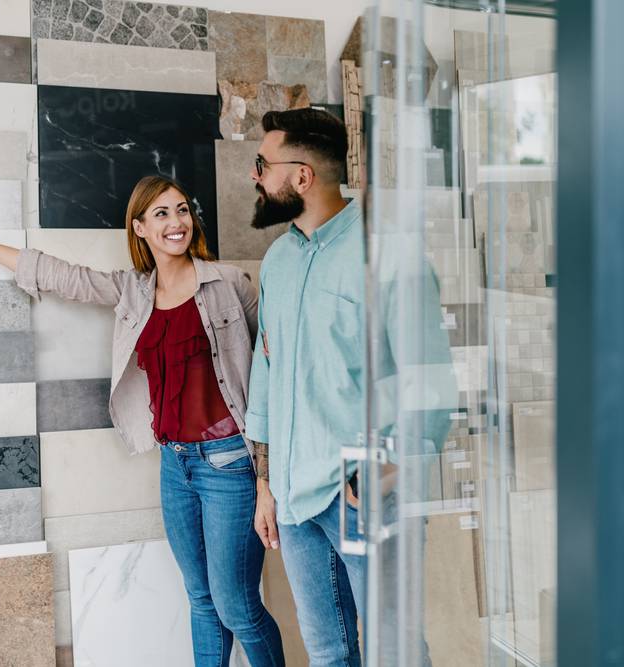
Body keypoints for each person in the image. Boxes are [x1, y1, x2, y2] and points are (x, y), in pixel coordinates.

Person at [0, 175, 284, 667]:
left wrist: (268, 477)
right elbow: (65, 277)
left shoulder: (228, 284)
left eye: (182, 210)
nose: (176, 222)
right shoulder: (133, 292)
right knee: (202, 601)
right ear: (139, 228)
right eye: (161, 214)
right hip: (175, 466)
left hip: (229, 463)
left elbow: (271, 377)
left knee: (238, 605)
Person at [245, 108, 454, 667]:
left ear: (302, 177)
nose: (255, 176)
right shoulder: (277, 261)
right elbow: (265, 377)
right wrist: (266, 484)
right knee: (329, 654)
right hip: (293, 501)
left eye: (262, 164)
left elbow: (430, 384)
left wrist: (392, 467)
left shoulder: (391, 256)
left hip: (364, 498)